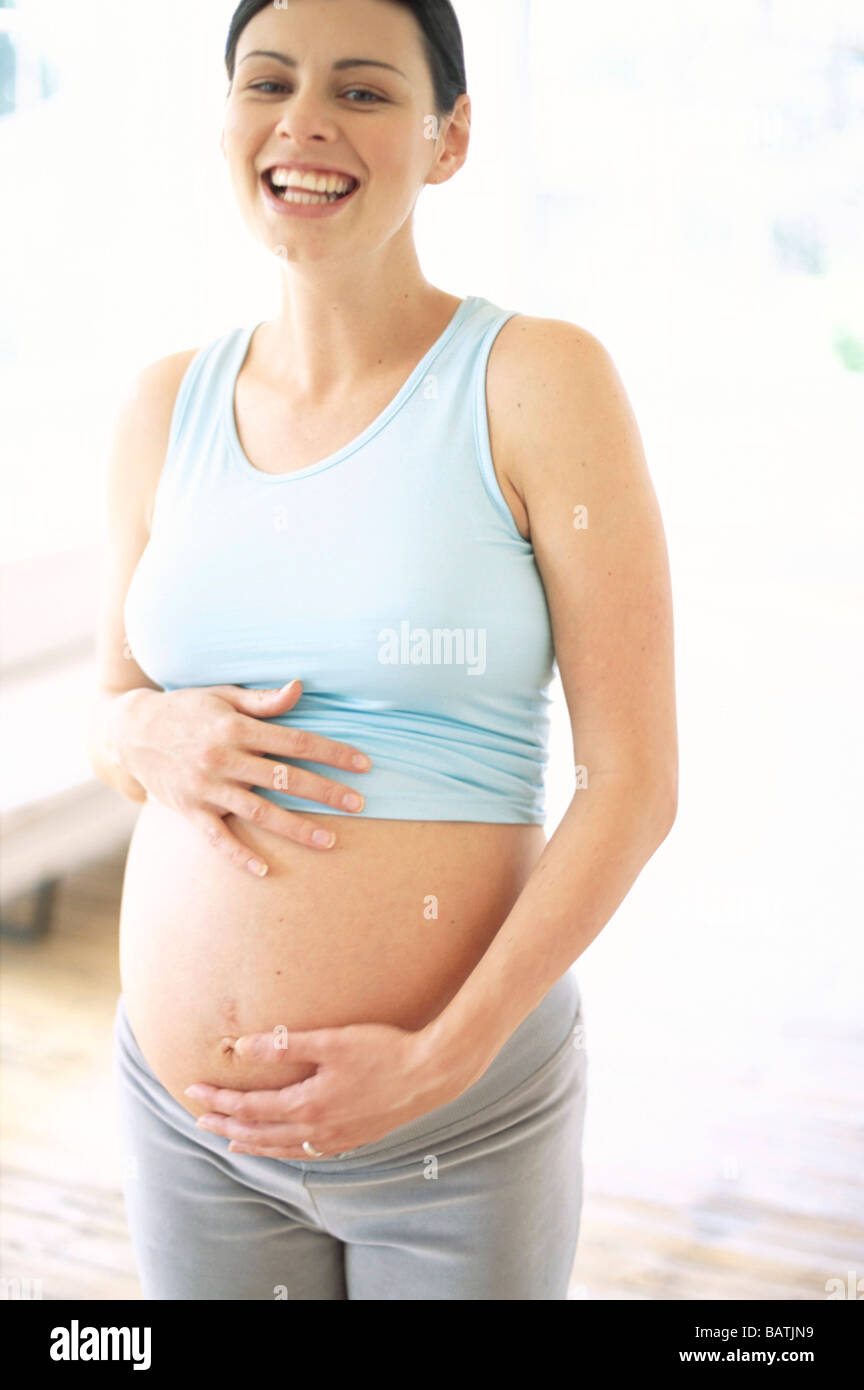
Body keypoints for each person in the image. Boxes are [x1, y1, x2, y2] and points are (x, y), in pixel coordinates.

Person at [87, 0, 678, 1301]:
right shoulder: (159, 405)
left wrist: (444, 1055)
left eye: (360, 90)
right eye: (268, 80)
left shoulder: (536, 378)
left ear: (448, 135)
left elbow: (633, 780)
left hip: (456, 1130)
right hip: (191, 1129)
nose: (303, 121)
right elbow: (113, 707)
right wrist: (140, 730)